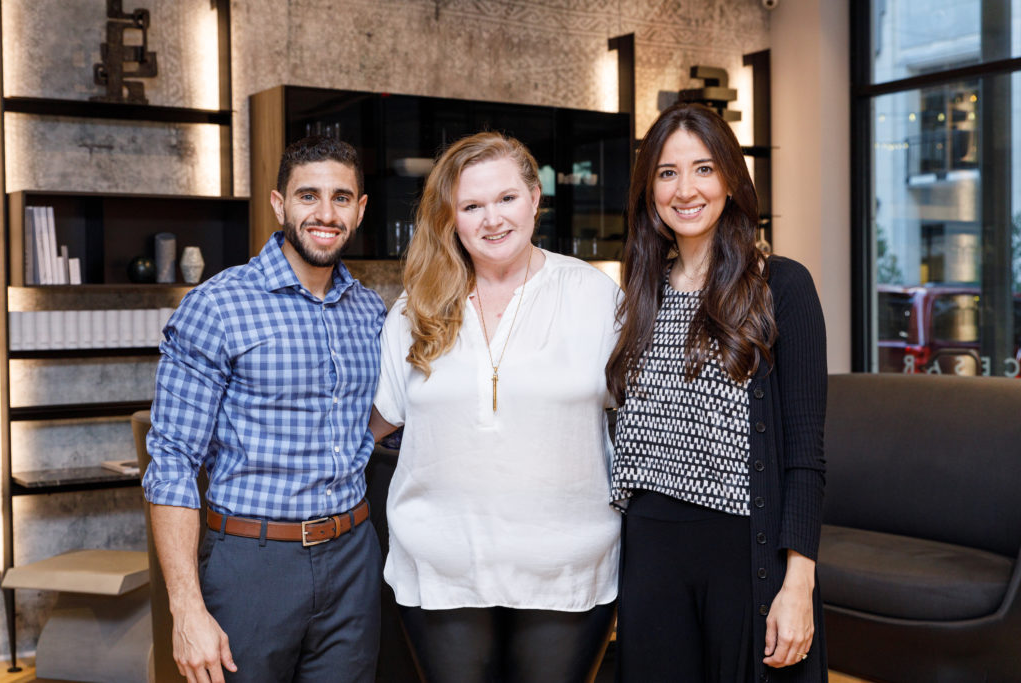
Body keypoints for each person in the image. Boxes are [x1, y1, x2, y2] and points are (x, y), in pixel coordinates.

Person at [368, 131, 620, 683]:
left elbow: (646, 417)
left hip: (568, 568)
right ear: (451, 218)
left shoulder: (596, 297)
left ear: (535, 198)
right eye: (472, 206)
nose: (492, 219)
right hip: (442, 568)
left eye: (506, 198)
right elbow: (373, 423)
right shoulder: (417, 308)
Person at [143, 135, 386, 683]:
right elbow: (173, 463)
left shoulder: (371, 311)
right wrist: (186, 609)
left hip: (354, 558)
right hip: (252, 563)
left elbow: (375, 419)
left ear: (361, 208)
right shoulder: (218, 306)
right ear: (279, 205)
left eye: (342, 198)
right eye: (308, 196)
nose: (325, 214)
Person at [606, 103, 828, 682]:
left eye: (703, 169)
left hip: (741, 552)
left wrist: (798, 584)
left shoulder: (781, 285)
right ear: (649, 188)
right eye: (667, 172)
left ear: (730, 179)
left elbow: (806, 456)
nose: (686, 189)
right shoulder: (638, 295)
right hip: (650, 552)